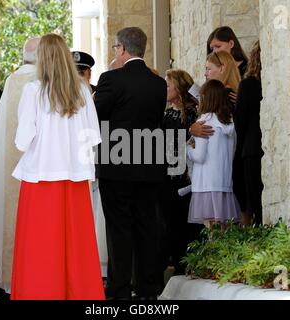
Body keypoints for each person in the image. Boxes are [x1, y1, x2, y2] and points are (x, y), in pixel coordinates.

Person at [10, 33, 104, 300]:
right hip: (74, 178)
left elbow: (23, 140)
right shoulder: (83, 91)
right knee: (76, 245)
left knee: (40, 244)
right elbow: (92, 137)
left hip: (41, 176)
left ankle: (38, 292)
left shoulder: (33, 90)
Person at [94, 27, 167, 300]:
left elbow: (96, 117)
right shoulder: (158, 83)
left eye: (115, 48)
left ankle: (120, 289)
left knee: (119, 229)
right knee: (146, 227)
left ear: (122, 49)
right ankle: (148, 289)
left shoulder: (111, 79)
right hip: (148, 164)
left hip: (116, 165)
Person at [0, 37, 41, 300]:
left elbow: (4, 126)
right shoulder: (46, 79)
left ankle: (7, 283)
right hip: (41, 165)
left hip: (12, 162)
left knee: (12, 219)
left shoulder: (14, 79)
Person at [160, 69, 203, 276]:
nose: (165, 89)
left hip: (187, 177)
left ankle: (192, 264)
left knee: (188, 223)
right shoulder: (166, 113)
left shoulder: (194, 113)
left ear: (179, 87)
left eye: (168, 85)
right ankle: (177, 265)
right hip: (168, 176)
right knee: (171, 224)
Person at [187, 80, 241, 227]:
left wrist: (187, 150)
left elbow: (199, 156)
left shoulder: (204, 121)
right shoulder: (229, 122)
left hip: (206, 184)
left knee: (211, 231)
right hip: (224, 183)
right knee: (224, 230)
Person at [234, 41, 264, 226]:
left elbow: (240, 122)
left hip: (251, 149)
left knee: (255, 204)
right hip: (260, 148)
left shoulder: (248, 85)